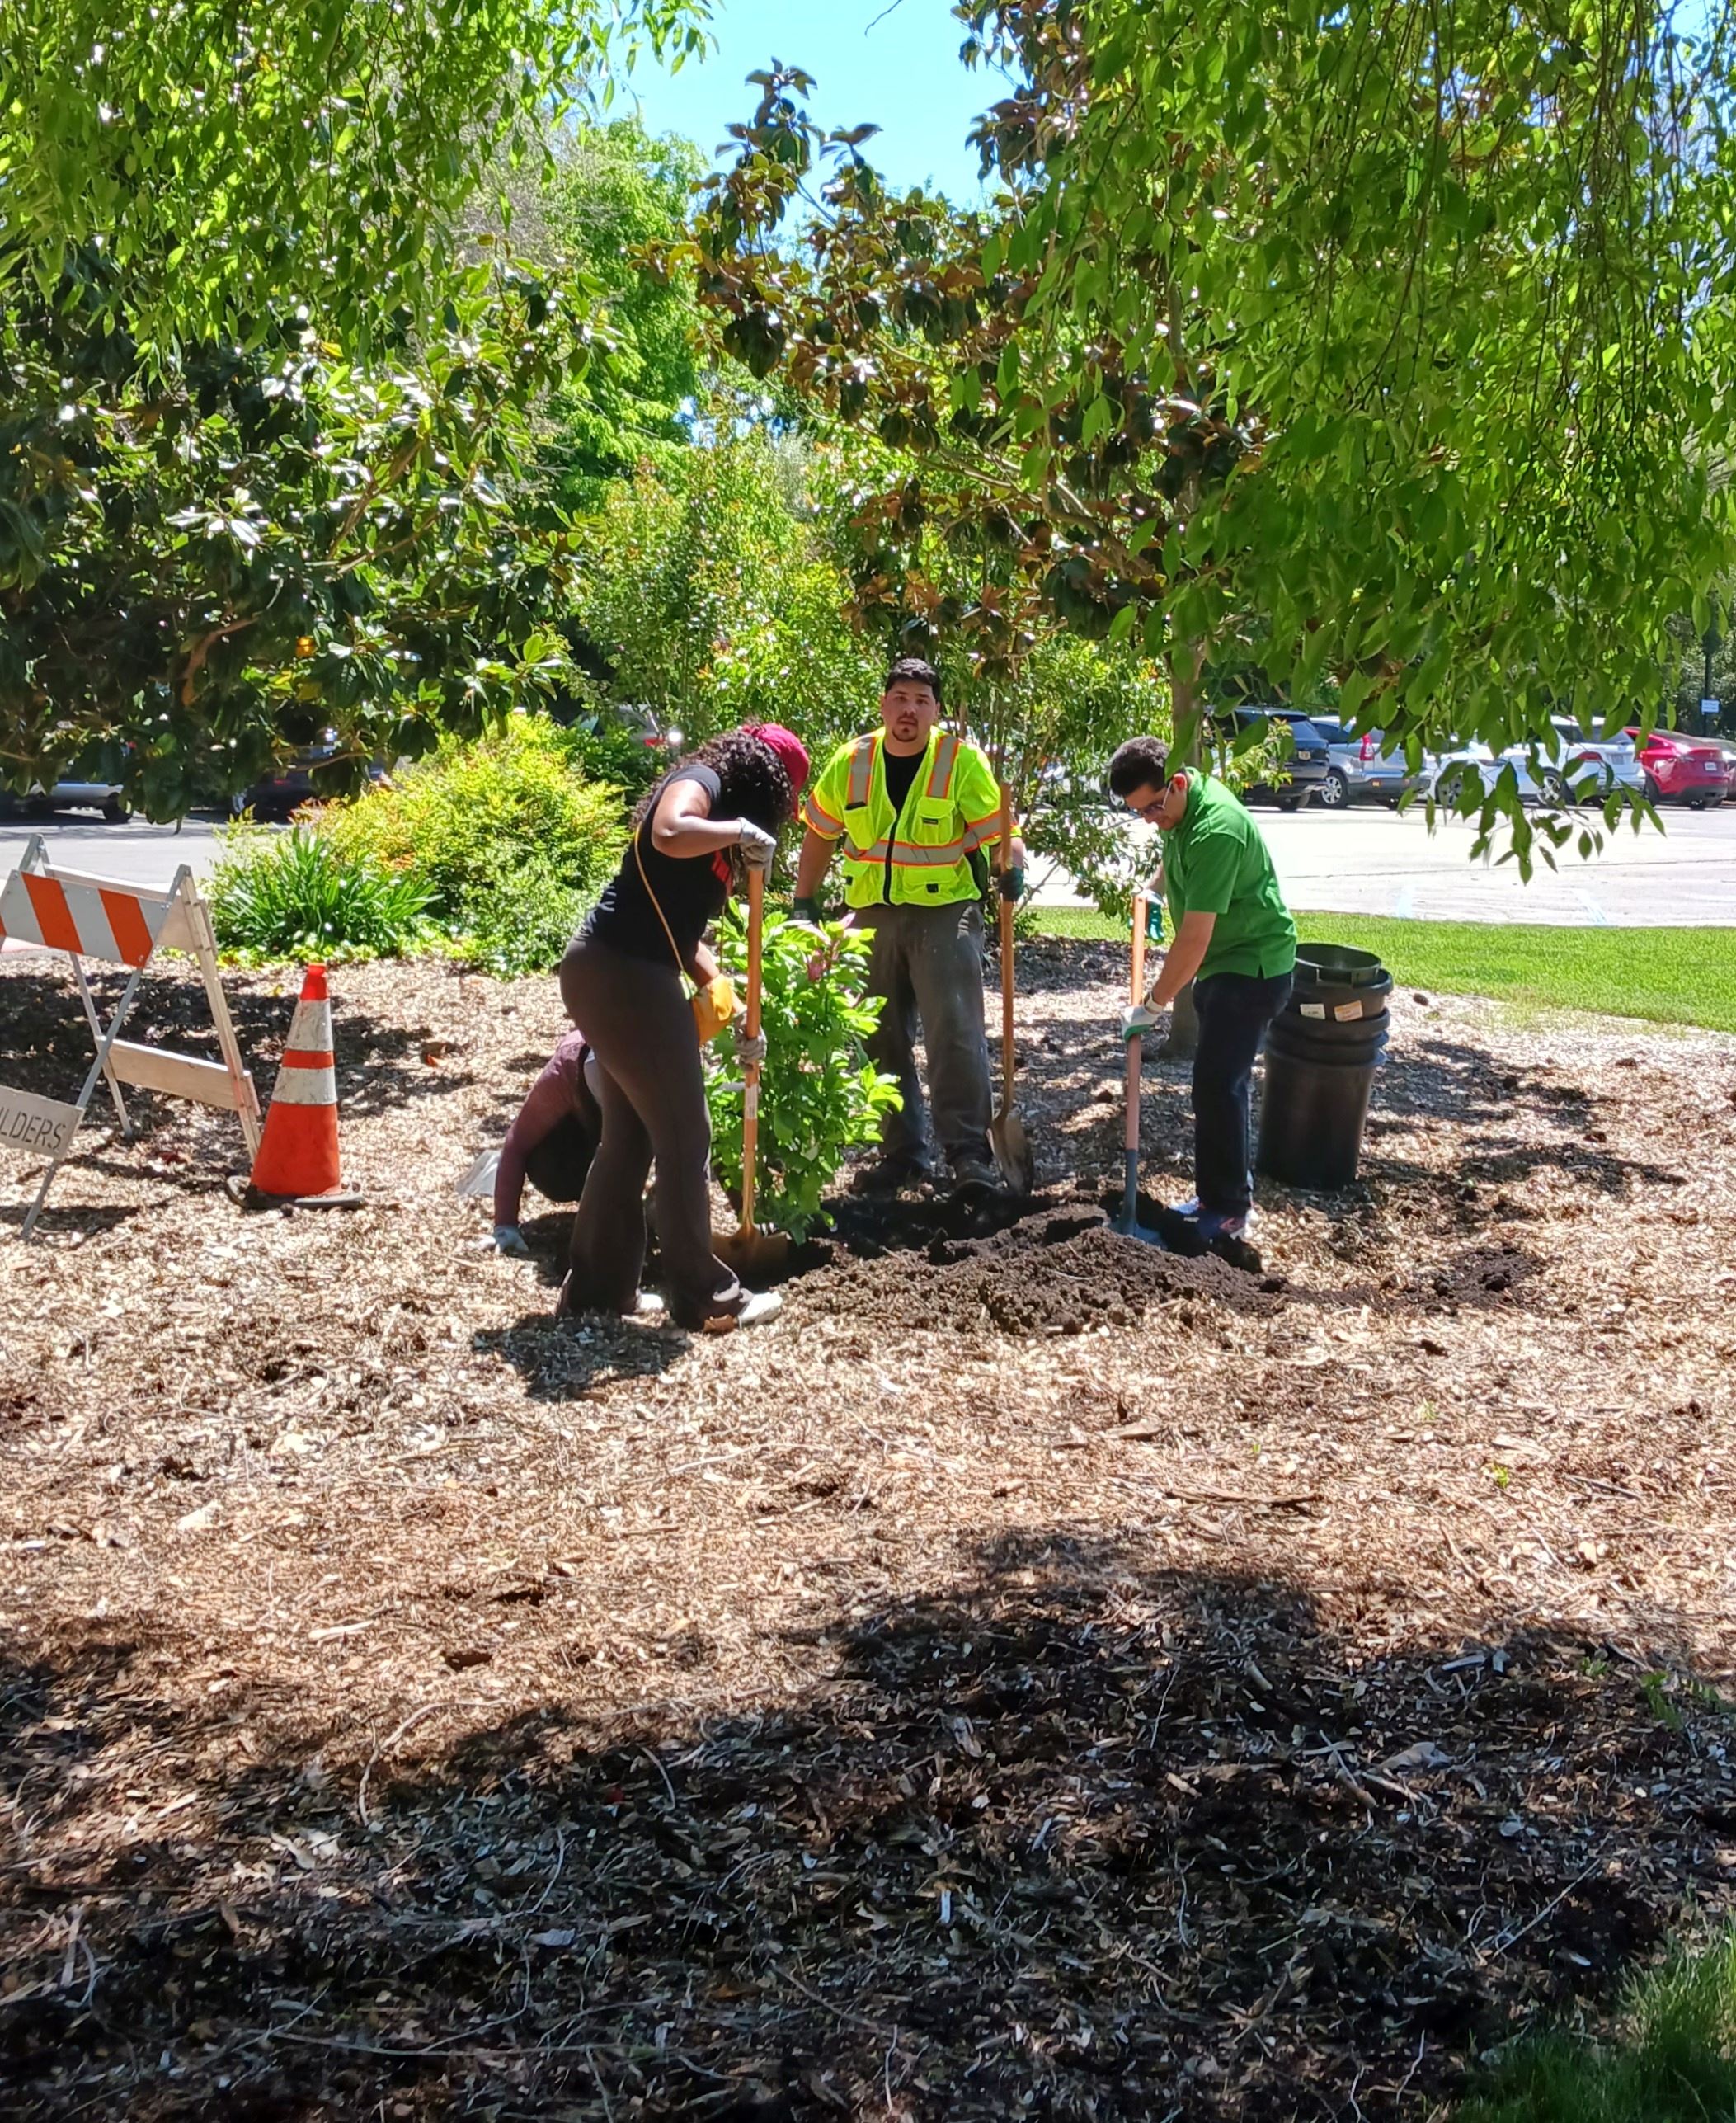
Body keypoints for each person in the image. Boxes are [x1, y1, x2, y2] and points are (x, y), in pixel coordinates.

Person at [557, 723, 811, 1330]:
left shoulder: (719, 832)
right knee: (683, 1135)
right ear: (764, 779)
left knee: (631, 1137)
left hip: (619, 971)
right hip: (624, 975)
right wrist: (739, 830)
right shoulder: (703, 783)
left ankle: (597, 1291)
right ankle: (706, 1296)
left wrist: (728, 996)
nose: (775, 817)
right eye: (780, 801)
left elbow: (680, 930)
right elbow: (667, 832)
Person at [793, 657, 1025, 1198]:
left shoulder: (959, 762)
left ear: (936, 711)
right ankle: (900, 1154)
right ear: (883, 705)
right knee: (880, 1036)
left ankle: (969, 1156)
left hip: (945, 912)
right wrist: (803, 902)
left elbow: (1000, 832)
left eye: (921, 701)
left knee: (955, 1034)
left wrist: (1012, 865)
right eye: (899, 698)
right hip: (870, 914)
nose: (909, 710)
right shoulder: (851, 762)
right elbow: (820, 832)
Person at [1108, 734, 1296, 1243]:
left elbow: (1193, 940)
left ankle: (1231, 1208)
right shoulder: (1180, 806)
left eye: (1151, 808)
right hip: (1222, 967)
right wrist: (1153, 888)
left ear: (1173, 784)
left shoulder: (1218, 829)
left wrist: (1152, 1005)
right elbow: (1174, 854)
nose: (1150, 820)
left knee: (1217, 1084)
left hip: (1253, 967)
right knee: (1217, 1082)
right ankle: (1218, 1196)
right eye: (1139, 814)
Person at [487, 1029, 604, 1257]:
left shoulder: (654, 1066)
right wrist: (505, 1226)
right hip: (578, 1137)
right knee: (553, 1170)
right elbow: (517, 1143)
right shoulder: (563, 1075)